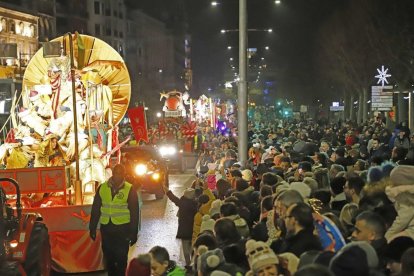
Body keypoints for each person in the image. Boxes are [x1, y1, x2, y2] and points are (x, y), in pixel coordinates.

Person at [89, 164, 139, 276]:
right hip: (107, 228)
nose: (117, 175)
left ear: (124, 175)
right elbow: (95, 209)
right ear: (112, 173)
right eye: (116, 173)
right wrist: (92, 227)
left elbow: (135, 213)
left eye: (120, 173)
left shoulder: (129, 189)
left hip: (123, 229)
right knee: (108, 256)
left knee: (121, 257)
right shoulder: (102, 188)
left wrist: (134, 232)